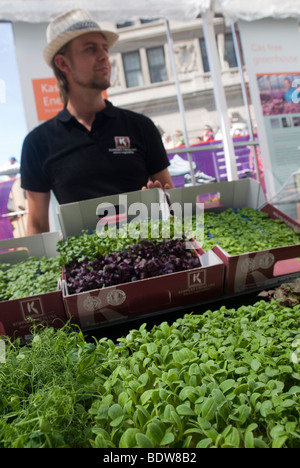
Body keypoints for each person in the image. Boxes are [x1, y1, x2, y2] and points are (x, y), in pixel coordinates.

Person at [20, 9, 174, 235]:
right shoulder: (38, 143)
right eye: (90, 49)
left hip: (147, 259)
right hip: (86, 266)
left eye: (104, 48)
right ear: (63, 63)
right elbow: (37, 226)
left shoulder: (141, 127)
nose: (104, 56)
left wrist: (163, 199)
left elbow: (171, 201)